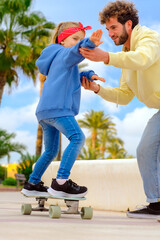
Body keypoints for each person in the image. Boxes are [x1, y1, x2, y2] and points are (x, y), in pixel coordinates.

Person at [80, 0, 160, 218]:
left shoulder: (148, 38)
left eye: (113, 28)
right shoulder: (126, 55)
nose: (110, 34)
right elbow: (124, 96)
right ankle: (156, 204)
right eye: (107, 30)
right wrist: (97, 89)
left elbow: (143, 59)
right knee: (145, 149)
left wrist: (106, 57)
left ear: (129, 25)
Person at [21, 21, 105, 198]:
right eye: (75, 38)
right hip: (59, 109)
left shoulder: (58, 59)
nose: (77, 42)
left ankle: (32, 183)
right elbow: (74, 52)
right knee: (77, 137)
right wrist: (88, 43)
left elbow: (74, 73)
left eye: (80, 39)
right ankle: (61, 182)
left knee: (50, 151)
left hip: (45, 112)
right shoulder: (65, 53)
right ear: (62, 40)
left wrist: (89, 74)